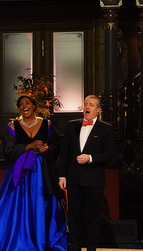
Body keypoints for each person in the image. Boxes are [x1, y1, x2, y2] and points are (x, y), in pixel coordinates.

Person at [0, 95, 68, 251]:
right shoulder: (13, 126)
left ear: (34, 106)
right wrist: (29, 146)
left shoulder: (47, 124)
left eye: (27, 103)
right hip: (20, 175)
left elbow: (57, 145)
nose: (24, 106)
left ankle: (44, 240)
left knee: (42, 205)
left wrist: (48, 148)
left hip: (42, 173)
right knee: (17, 206)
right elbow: (8, 151)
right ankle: (18, 240)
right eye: (20, 105)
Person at [57, 95, 115, 251]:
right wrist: (62, 175)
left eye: (91, 104)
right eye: (85, 104)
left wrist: (90, 158)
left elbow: (110, 155)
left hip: (94, 180)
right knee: (74, 216)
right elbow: (64, 153)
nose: (87, 107)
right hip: (74, 180)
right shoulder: (72, 126)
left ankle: (91, 248)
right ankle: (74, 247)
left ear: (98, 109)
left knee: (92, 217)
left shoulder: (106, 128)